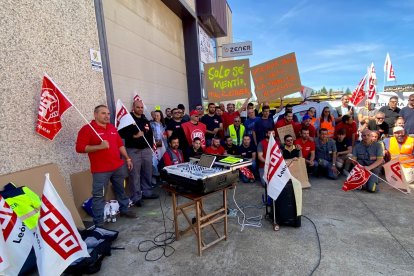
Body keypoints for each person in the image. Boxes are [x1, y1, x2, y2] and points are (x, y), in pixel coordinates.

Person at [76, 105, 137, 227]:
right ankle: (99, 223)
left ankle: (124, 209)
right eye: (103, 113)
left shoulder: (112, 128)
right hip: (100, 171)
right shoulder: (88, 129)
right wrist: (100, 146)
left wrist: (127, 158)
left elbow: (120, 145)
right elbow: (79, 148)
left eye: (108, 114)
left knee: (121, 190)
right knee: (99, 196)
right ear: (95, 114)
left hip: (117, 167)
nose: (107, 116)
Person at [118, 100, 159, 206]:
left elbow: (150, 134)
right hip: (133, 151)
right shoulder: (128, 119)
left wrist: (150, 147)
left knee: (147, 172)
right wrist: (134, 136)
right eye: (138, 107)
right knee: (135, 175)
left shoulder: (145, 119)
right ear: (133, 107)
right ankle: (136, 197)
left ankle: (147, 192)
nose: (140, 109)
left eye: (141, 107)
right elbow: (121, 133)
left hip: (146, 150)